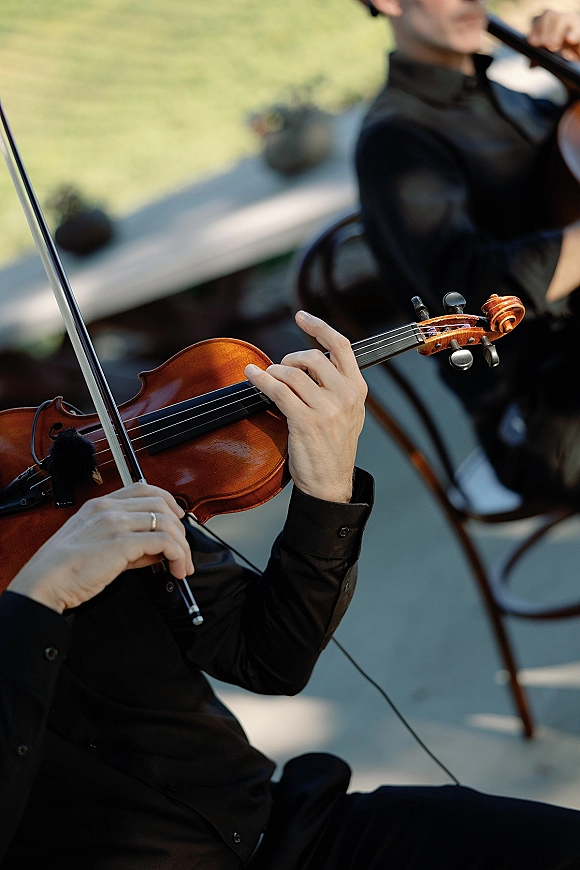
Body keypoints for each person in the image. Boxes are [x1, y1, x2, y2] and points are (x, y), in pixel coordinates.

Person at [2, 310, 580, 870]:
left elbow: (268, 653)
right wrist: (37, 601)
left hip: (285, 831)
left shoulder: (39, 474)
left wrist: (326, 489)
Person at [355, 0, 580, 505]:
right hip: (541, 416)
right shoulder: (395, 142)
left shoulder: (505, 97)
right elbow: (472, 292)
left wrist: (577, 71)